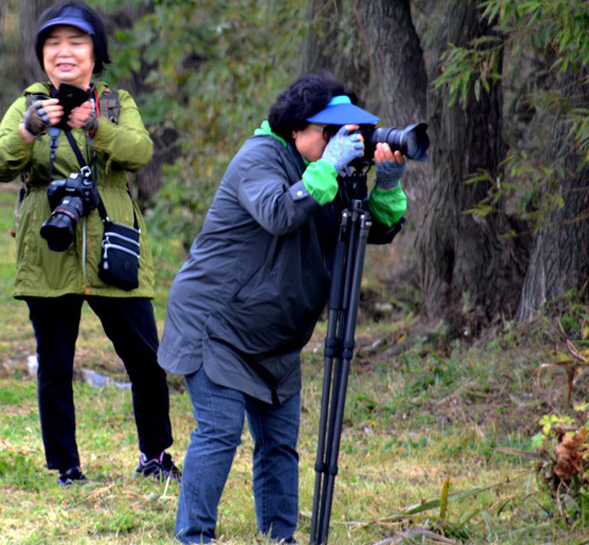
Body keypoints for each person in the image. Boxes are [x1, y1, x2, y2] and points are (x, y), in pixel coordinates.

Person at [157, 71, 409, 543]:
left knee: (279, 444)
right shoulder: (259, 158)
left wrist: (387, 185)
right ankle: (194, 538)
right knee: (220, 430)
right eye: (328, 132)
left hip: (275, 333)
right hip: (218, 322)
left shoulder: (330, 168)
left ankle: (280, 537)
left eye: (348, 132)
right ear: (295, 129)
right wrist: (329, 166)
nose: (341, 142)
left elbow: (366, 229)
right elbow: (279, 212)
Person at [0, 1, 180, 486]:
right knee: (55, 366)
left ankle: (155, 456)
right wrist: (30, 130)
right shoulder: (28, 105)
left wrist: (95, 126)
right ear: (42, 55)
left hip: (113, 244)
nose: (64, 52)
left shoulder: (115, 103)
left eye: (76, 42)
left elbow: (140, 151)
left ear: (95, 53)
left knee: (146, 360)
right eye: (53, 44)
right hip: (50, 246)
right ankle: (65, 467)